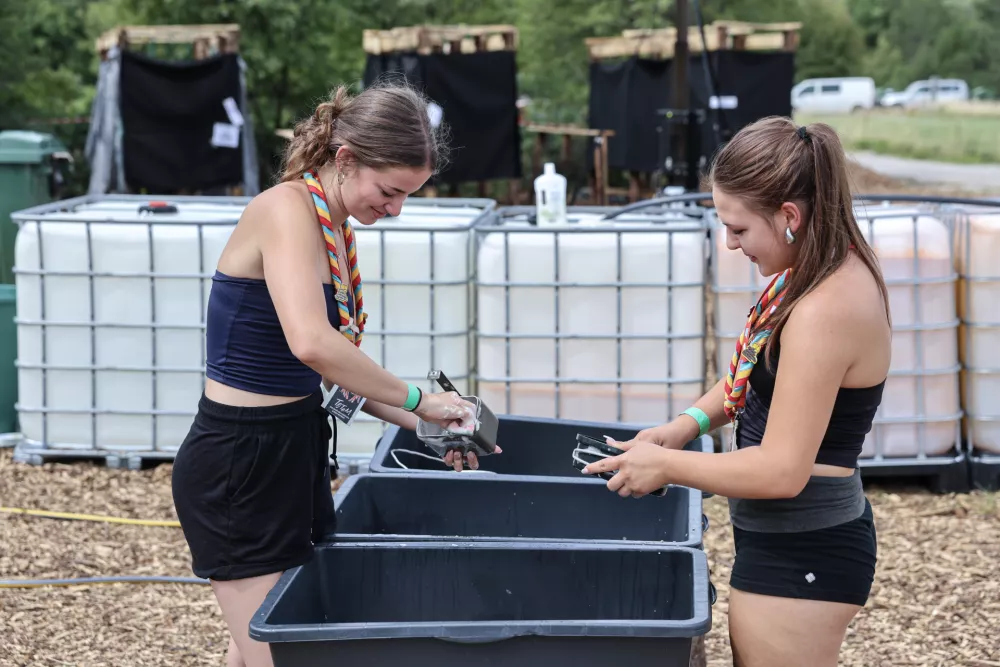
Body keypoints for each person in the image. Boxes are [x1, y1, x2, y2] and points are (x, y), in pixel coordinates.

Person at [171, 81, 483, 667]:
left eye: (408, 195)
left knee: (255, 650)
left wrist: (426, 423)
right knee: (281, 653)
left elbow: (334, 374)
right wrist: (421, 399)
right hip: (240, 461)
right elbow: (312, 344)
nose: (395, 210)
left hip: (292, 448)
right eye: (390, 191)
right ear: (345, 158)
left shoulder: (330, 222)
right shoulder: (284, 210)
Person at [583, 117, 890, 667]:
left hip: (806, 548)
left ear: (789, 216)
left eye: (739, 228)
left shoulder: (827, 308)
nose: (730, 243)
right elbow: (747, 380)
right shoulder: (809, 271)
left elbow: (780, 470)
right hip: (785, 537)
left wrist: (668, 467)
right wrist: (683, 428)